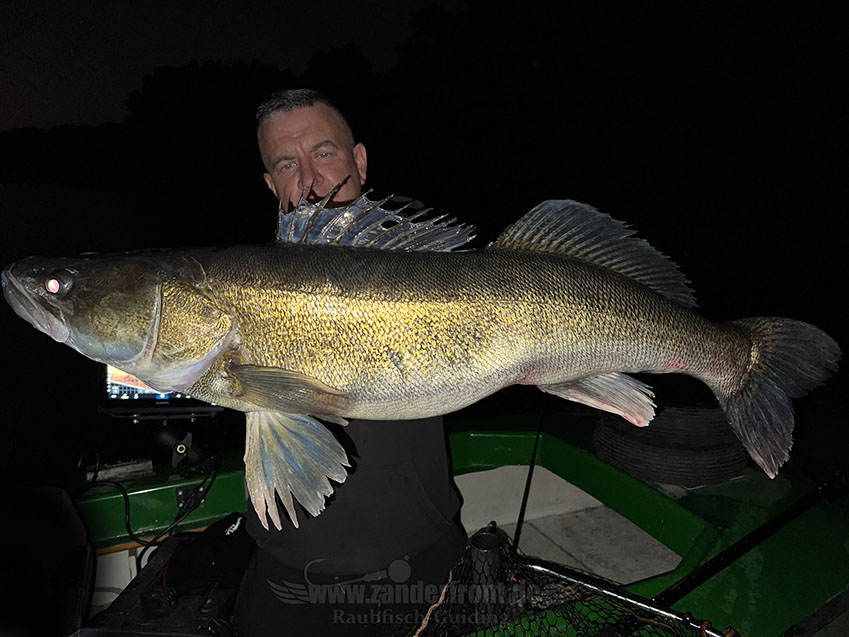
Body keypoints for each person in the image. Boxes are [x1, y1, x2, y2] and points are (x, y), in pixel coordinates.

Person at [233, 88, 467, 636]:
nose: (309, 179)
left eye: (325, 152)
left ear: (359, 160)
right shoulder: (241, 286)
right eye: (287, 164)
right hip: (286, 566)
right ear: (270, 184)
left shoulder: (432, 266)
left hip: (425, 558)